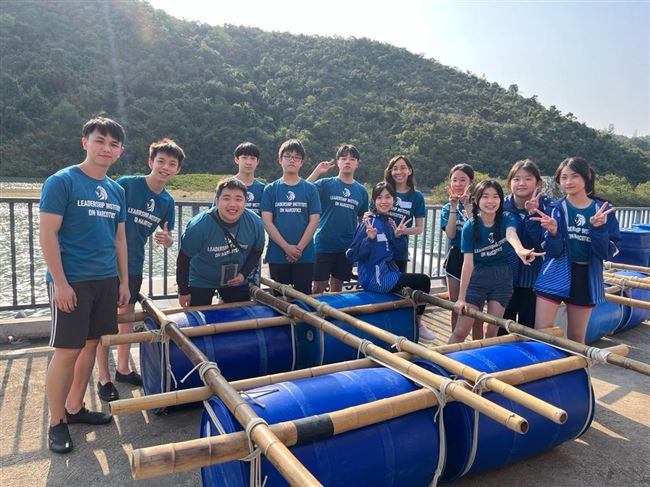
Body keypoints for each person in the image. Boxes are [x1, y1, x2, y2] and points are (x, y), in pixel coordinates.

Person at [39, 115, 129, 454]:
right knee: (67, 351)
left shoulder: (116, 190)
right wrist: (60, 283)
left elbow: (119, 239)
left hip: (105, 280)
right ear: (85, 143)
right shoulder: (62, 181)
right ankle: (56, 421)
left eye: (113, 144)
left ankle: (75, 407)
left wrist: (123, 281)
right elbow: (47, 234)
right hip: (72, 280)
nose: (106, 148)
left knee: (91, 344)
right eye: (99, 141)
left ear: (120, 151)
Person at [94, 138, 183, 402]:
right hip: (106, 262)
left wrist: (167, 240)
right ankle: (103, 377)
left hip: (133, 263)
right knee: (104, 321)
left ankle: (123, 368)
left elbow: (167, 237)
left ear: (177, 170)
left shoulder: (167, 201)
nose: (165, 167)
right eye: (161, 161)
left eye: (172, 164)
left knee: (127, 317)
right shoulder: (126, 185)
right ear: (150, 162)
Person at [533, 157, 621, 343]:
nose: (568, 182)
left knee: (576, 337)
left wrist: (599, 229)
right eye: (564, 177)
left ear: (586, 177)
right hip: (555, 270)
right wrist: (554, 233)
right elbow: (552, 252)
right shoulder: (555, 209)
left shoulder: (603, 210)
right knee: (542, 333)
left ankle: (577, 364)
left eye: (574, 176)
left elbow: (607, 252)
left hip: (585, 275)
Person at [450, 180, 542, 344]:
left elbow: (511, 234)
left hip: (501, 279)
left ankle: (484, 358)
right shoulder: (470, 226)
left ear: (501, 200)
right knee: (460, 331)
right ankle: (441, 361)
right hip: (477, 279)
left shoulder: (507, 218)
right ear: (476, 200)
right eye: (485, 197)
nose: (490, 201)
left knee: (492, 331)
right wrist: (461, 298)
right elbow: (468, 264)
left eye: (495, 197)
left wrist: (520, 250)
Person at [346, 182, 435, 344]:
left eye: (388, 197)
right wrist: (369, 239)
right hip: (375, 279)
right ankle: (418, 324)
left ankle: (413, 323)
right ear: (373, 201)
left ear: (393, 200)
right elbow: (352, 255)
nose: (384, 201)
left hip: (387, 273)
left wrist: (398, 236)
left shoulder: (389, 222)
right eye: (379, 197)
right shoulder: (368, 223)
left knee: (414, 284)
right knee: (423, 281)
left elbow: (398, 254)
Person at [176, 177, 265, 305]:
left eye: (238, 199)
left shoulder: (255, 222)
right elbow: (183, 259)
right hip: (201, 278)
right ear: (217, 201)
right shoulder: (199, 225)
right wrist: (183, 290)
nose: (232, 204)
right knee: (198, 314)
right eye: (226, 198)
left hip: (235, 278)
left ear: (245, 202)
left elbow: (257, 250)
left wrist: (243, 274)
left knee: (240, 314)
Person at [261, 139, 321, 294]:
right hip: (277, 254)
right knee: (279, 298)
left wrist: (299, 248)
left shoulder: (311, 189)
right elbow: (267, 221)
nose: (292, 160)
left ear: (301, 162)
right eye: (288, 156)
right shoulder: (270, 189)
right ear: (280, 160)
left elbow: (314, 221)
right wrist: (286, 247)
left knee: (303, 298)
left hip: (305, 254)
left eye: (296, 157)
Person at [307, 144, 369, 293]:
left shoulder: (362, 191)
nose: (347, 161)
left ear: (357, 164)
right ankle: (315, 309)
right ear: (338, 162)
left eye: (352, 159)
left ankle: (333, 309)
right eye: (343, 158)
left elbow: (363, 219)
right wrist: (317, 171)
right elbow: (303, 189)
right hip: (323, 244)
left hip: (346, 247)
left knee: (337, 286)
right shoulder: (325, 184)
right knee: (318, 286)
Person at [501, 159, 551, 330]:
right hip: (504, 278)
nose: (521, 183)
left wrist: (532, 215)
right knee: (500, 326)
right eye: (516, 179)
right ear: (509, 183)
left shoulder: (547, 207)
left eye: (528, 178)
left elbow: (545, 243)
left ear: (538, 183)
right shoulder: (501, 206)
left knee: (528, 327)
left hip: (534, 279)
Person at [440, 163, 475, 334]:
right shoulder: (447, 208)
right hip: (456, 256)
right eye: (455, 180)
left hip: (475, 258)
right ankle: (455, 340)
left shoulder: (481, 203)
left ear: (471, 182)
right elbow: (451, 234)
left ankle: (478, 343)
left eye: (463, 180)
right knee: (455, 306)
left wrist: (467, 205)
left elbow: (478, 232)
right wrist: (454, 207)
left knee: (475, 307)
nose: (458, 184)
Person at [381, 155, 425, 272]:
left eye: (403, 168)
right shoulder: (382, 190)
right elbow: (372, 215)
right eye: (395, 168)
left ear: (409, 171)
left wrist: (402, 231)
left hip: (399, 251)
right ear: (390, 172)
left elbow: (419, 229)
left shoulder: (417, 197)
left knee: (398, 282)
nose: (399, 172)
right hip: (379, 248)